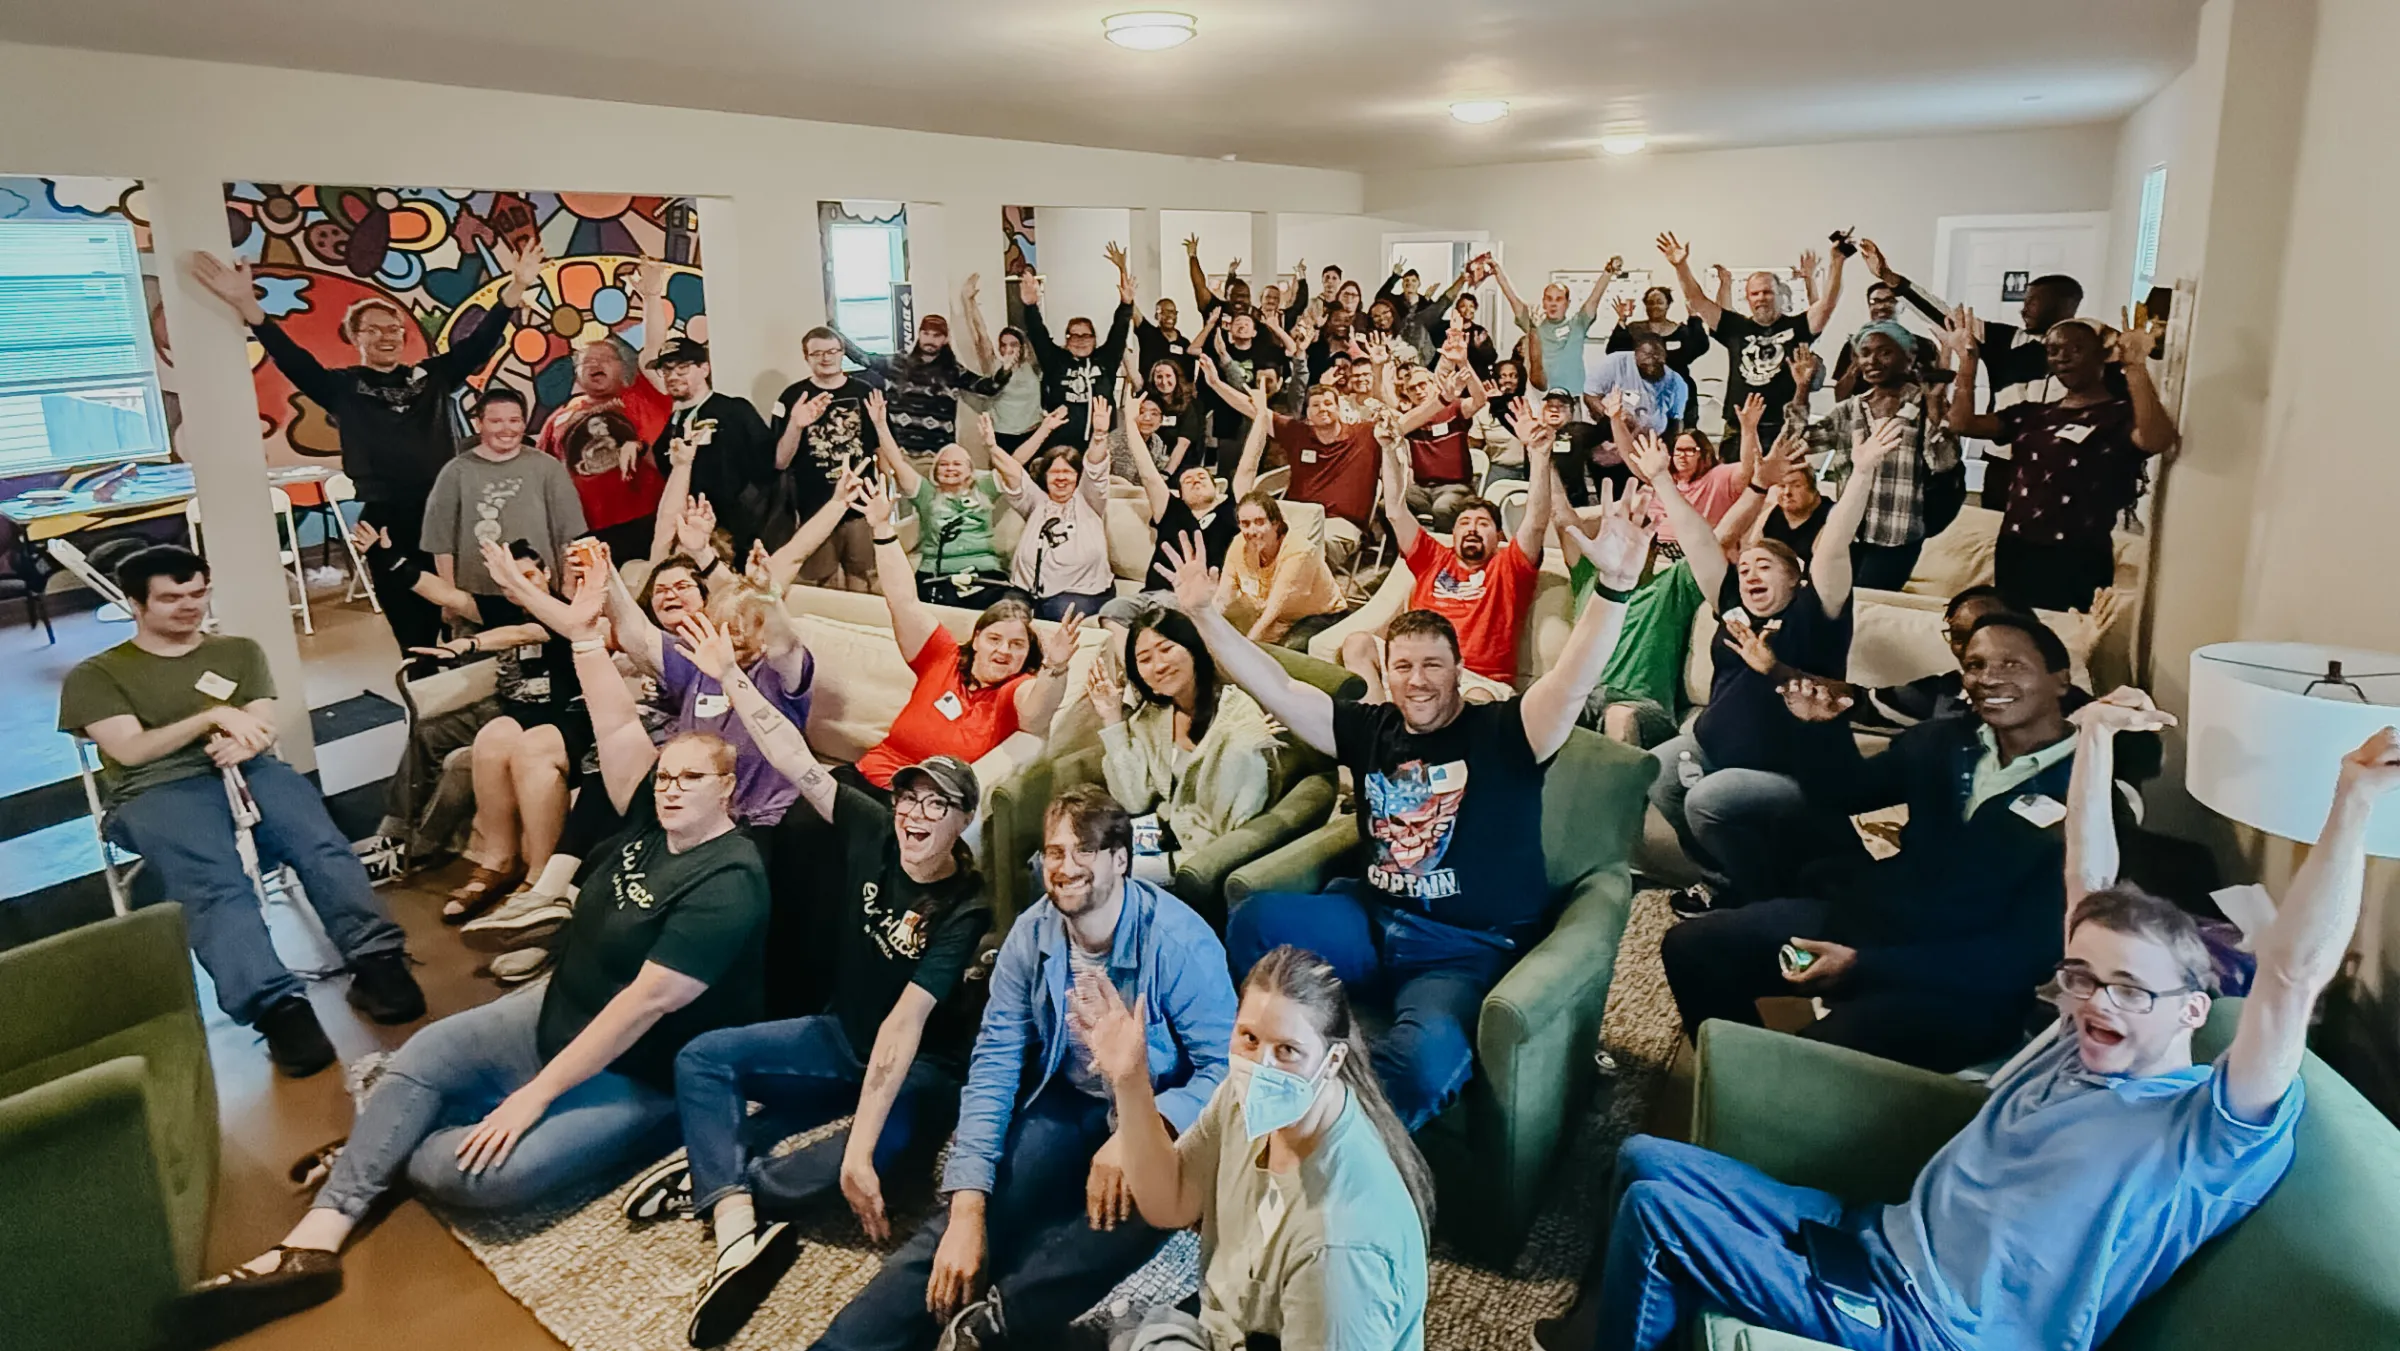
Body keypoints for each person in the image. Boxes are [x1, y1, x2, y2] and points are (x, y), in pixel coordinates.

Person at [1588, 710, 2398, 1351]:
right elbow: (2087, 876)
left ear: (2195, 1007)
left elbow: (2290, 977)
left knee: (1658, 1216)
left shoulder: (2203, 1130)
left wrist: (2353, 800)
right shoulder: (2080, 1044)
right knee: (1643, 1155)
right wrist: (2093, 740)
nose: (2094, 1004)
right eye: (2083, 979)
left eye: (2129, 990)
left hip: (1930, 1324)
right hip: (1869, 1232)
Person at [177, 564, 771, 1346]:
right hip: (559, 1009)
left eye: (692, 778)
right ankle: (311, 1244)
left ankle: (381, 1145)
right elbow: (619, 727)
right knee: (419, 1059)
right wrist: (586, 633)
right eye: (666, 775)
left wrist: (529, 1098)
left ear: (728, 790)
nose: (669, 788)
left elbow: (638, 1009)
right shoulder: (649, 817)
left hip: (642, 1069)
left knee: (484, 1174)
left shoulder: (730, 882)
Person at [1160, 469, 1653, 1130]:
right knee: (1250, 920)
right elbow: (1274, 683)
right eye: (1403, 666)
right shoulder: (1371, 727)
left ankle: (1333, 1151)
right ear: (1387, 674)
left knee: (1422, 1064)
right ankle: (1240, 1078)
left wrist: (1615, 586)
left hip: (1461, 947)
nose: (1417, 681)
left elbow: (1569, 680)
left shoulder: (1506, 731)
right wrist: (1203, 616)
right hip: (1372, 919)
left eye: (1432, 665)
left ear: (1457, 671)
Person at [626, 610, 994, 1347]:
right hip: (836, 1035)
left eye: (938, 806)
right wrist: (731, 676)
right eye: (910, 798)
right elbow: (793, 757)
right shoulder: (871, 829)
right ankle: (735, 1217)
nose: (917, 815)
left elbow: (905, 1025)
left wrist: (857, 1147)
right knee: (701, 1058)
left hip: (920, 1072)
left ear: (963, 823)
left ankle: (729, 1181)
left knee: (851, 1166)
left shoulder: (968, 904)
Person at [812, 786, 1238, 1351]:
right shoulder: (1030, 933)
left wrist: (1149, 1125)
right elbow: (995, 1063)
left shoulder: (1180, 943)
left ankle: (998, 1322)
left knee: (1135, 1213)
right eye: (1055, 852)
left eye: (1084, 850)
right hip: (1065, 1098)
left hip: (1159, 1107)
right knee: (978, 1215)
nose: (1066, 868)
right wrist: (967, 1203)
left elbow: (1227, 1070)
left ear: (1121, 859)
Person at [1662, 614, 2092, 1070]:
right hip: (1871, 925)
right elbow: (1846, 794)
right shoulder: (1944, 741)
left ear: (2060, 680)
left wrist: (1863, 966)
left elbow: (2025, 956)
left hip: (1960, 985)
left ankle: (1766, 1097)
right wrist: (1820, 729)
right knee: (1694, 948)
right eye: (1976, 664)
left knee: (1801, 1064)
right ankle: (1735, 1083)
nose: (1989, 678)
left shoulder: (2089, 790)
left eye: (2012, 664)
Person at [57, 545, 423, 1075]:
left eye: (198, 593)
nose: (189, 606)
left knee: (318, 842)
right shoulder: (97, 674)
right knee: (215, 883)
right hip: (154, 790)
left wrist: (246, 741)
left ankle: (377, 961)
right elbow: (131, 750)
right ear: (136, 604)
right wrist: (214, 718)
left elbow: (261, 721)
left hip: (246, 769)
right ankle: (277, 1008)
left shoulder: (238, 652)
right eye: (170, 598)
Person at [185, 241, 542, 653]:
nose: (386, 336)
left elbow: (478, 344)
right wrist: (249, 307)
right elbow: (293, 360)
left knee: (472, 616)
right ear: (355, 337)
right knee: (413, 629)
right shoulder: (342, 387)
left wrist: (515, 288)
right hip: (386, 521)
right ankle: (425, 694)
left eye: (393, 329)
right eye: (373, 329)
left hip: (449, 512)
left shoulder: (433, 376)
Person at [1070, 946, 1432, 1351]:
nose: (1261, 1068)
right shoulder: (1246, 1104)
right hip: (1233, 1326)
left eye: (1287, 1051)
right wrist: (1131, 1081)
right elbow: (1170, 1201)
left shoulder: (1338, 1254)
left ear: (1331, 1063)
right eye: (1249, 1038)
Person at [1641, 419, 1890, 909]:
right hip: (1712, 745)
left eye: (1766, 567)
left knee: (1707, 801)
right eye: (1746, 566)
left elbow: (1835, 545)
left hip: (1792, 773)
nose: (1750, 573)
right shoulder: (1732, 604)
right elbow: (1698, 544)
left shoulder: (1814, 612)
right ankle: (1722, 879)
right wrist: (1662, 480)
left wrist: (1861, 474)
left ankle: (1761, 896)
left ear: (1797, 580)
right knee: (1657, 773)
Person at [849, 479, 1081, 790]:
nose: (1004, 651)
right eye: (995, 639)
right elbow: (903, 602)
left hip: (915, 803)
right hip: (867, 774)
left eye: (1017, 645)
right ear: (977, 640)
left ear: (1027, 655)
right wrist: (881, 529)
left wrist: (1056, 667)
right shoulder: (943, 655)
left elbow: (1038, 715)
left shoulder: (1014, 690)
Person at [414, 540, 594, 924]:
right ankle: (498, 859)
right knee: (493, 735)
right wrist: (384, 555)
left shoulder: (564, 610)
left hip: (573, 719)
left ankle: (541, 875)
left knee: (533, 747)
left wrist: (470, 643)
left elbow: (524, 633)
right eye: (513, 581)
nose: (522, 587)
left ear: (546, 574)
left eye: (529, 576)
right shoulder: (501, 606)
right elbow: (445, 594)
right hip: (519, 712)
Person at [1946, 314, 2175, 612]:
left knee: (2065, 643)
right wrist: (1968, 361)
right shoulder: (2033, 414)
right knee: (2017, 634)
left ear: (2101, 355)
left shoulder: (2118, 415)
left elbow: (2157, 439)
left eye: (2075, 348)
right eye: (2053, 351)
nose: (2062, 358)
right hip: (2016, 549)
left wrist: (2134, 366)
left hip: (2079, 555)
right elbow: (1962, 423)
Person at [1341, 400, 1557, 701]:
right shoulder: (1433, 557)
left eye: (1482, 524)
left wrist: (1539, 454)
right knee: (1357, 644)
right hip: (1414, 667)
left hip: (1474, 679)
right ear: (1452, 533)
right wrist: (1389, 451)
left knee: (1479, 699)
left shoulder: (1510, 566)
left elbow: (1535, 521)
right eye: (1464, 523)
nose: (1471, 528)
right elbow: (1395, 511)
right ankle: (1377, 722)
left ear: (1499, 536)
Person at [1859, 238, 2103, 501]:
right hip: (2004, 459)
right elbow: (1943, 316)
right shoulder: (2004, 340)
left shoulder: (2093, 348)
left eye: (2032, 301)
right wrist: (1891, 279)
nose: (2023, 309)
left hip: (2063, 462)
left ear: (2062, 304)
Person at [1087, 606, 1282, 883]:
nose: (1159, 665)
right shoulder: (1154, 716)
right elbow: (1132, 799)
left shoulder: (1238, 726)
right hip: (1159, 834)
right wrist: (1112, 718)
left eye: (1166, 649)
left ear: (1193, 649)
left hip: (1200, 859)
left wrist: (1152, 865)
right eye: (1144, 659)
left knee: (1090, 877)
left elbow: (1231, 838)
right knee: (1057, 860)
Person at [1791, 327, 1961, 591]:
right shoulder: (1851, 408)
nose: (1872, 361)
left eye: (1885, 353)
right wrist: (1802, 389)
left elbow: (1943, 462)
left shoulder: (1924, 404)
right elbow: (1795, 445)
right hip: (1848, 532)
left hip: (1896, 535)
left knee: (1865, 602)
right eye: (1865, 353)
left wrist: (1936, 405)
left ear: (1909, 357)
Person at [1657, 233, 1844, 449]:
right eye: (1755, 293)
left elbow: (1828, 303)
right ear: (1747, 298)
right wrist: (1681, 266)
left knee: (1784, 484)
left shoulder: (1798, 327)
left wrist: (1837, 262)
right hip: (1738, 428)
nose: (1761, 298)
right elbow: (1697, 300)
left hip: (1783, 427)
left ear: (1780, 295)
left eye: (1767, 292)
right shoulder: (1735, 327)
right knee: (1734, 482)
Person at [537, 276, 675, 558]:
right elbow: (542, 473)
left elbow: (654, 350)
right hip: (586, 529)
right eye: (587, 360)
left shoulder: (642, 396)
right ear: (576, 373)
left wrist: (651, 297)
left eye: (604, 359)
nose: (595, 364)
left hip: (647, 518)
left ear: (622, 368)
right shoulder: (558, 418)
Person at [419, 387, 587, 612]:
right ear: (479, 424)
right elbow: (441, 545)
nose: (507, 429)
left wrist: (568, 587)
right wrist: (451, 599)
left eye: (514, 420)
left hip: (541, 595)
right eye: (496, 421)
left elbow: (570, 535)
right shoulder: (455, 472)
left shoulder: (548, 468)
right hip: (476, 598)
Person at [769, 325, 884, 588]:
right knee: (822, 581)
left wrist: (886, 493)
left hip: (861, 506)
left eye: (832, 351)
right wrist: (796, 425)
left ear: (842, 353)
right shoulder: (792, 397)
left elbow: (880, 446)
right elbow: (780, 461)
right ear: (806, 357)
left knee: (864, 578)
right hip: (814, 508)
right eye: (817, 353)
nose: (826, 358)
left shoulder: (865, 391)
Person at [649, 337, 777, 561]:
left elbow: (769, 465)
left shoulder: (734, 410)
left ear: (704, 369)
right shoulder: (671, 422)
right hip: (690, 532)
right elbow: (663, 470)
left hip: (736, 533)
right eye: (666, 370)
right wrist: (635, 445)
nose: (673, 376)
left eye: (682, 368)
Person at [878, 408, 1019, 608]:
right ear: (935, 471)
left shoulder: (984, 488)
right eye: (943, 465)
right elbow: (897, 462)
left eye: (956, 464)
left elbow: (1016, 463)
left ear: (970, 469)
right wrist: (881, 425)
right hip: (937, 573)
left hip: (985, 572)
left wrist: (993, 445)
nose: (950, 468)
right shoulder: (926, 493)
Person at [993, 394, 1116, 622]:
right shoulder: (1036, 501)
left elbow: (1096, 468)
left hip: (1083, 591)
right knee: (1004, 616)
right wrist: (991, 445)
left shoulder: (1088, 499)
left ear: (1078, 477)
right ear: (1045, 476)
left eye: (1068, 472)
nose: (1061, 478)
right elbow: (1011, 471)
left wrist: (1099, 435)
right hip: (1026, 590)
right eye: (1055, 472)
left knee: (1055, 612)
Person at [837, 312, 1010, 466]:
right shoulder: (897, 364)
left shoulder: (952, 371)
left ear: (945, 339)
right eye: (926, 333)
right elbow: (862, 358)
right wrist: (835, 333)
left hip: (939, 458)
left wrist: (1007, 369)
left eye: (936, 335)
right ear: (919, 335)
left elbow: (988, 388)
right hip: (900, 455)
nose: (930, 339)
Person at [1020, 254, 1136, 445]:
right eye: (1074, 335)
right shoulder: (1055, 361)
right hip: (1063, 444)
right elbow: (1038, 334)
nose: (1080, 341)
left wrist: (1126, 305)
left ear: (1094, 338)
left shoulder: (1106, 360)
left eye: (1086, 335)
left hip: (1102, 441)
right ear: (1066, 339)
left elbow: (1119, 331)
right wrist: (1031, 307)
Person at [1216, 488, 1347, 649]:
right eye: (1245, 524)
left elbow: (1273, 609)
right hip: (1270, 613)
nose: (1252, 531)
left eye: (1259, 522)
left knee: (1282, 651)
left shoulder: (1299, 552)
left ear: (1275, 523)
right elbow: (1223, 595)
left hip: (1319, 615)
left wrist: (1247, 649)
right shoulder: (1239, 543)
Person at [1499, 257, 1616, 407]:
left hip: (1572, 397)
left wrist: (1607, 273)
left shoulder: (1578, 324)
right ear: (1543, 302)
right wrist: (1497, 272)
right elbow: (1512, 299)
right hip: (1542, 398)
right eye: (1549, 299)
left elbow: (1594, 299)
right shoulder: (1534, 325)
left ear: (1567, 303)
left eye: (1559, 299)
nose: (1553, 304)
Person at [957, 273, 1050, 453]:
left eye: (1013, 344)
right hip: (1003, 435)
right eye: (1003, 345)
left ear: (1022, 347)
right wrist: (970, 303)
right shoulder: (995, 366)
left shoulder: (1033, 366)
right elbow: (980, 335)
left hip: (1031, 432)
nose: (1008, 349)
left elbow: (1040, 335)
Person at [1604, 285, 1710, 425]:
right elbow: (1613, 351)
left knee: (1681, 432)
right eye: (1650, 302)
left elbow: (1700, 347)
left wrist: (1694, 318)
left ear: (1668, 305)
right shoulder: (1635, 329)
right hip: (1639, 391)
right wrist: (1622, 319)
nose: (1655, 306)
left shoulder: (1681, 331)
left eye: (1659, 302)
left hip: (1676, 391)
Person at [1830, 280, 1945, 400]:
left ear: (1902, 307)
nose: (1881, 306)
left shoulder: (1923, 345)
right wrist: (1855, 365)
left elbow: (1937, 391)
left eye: (1890, 301)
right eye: (1875, 301)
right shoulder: (1853, 346)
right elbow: (1840, 397)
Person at [1582, 332, 1690, 439]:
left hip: (1652, 439)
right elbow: (1590, 395)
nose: (1651, 362)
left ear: (1665, 355)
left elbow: (1676, 421)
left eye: (1657, 358)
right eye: (1646, 358)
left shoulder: (1676, 382)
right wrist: (1612, 419)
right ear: (1635, 355)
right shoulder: (1615, 362)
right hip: (1612, 433)